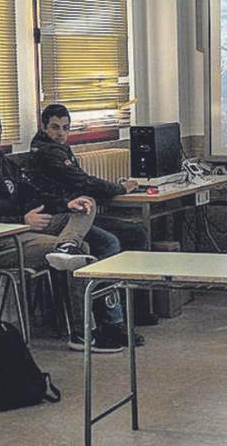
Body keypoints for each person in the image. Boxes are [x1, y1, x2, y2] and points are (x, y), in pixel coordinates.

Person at [0, 104, 139, 351]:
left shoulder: (6, 165)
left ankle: (67, 246)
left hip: (27, 230)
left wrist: (66, 204)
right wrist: (22, 221)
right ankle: (82, 334)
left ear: (1, 130)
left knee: (85, 205)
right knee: (84, 250)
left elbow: (34, 196)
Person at [25, 103, 156, 324]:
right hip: (63, 219)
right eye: (55, 128)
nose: (61, 134)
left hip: (80, 213)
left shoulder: (58, 149)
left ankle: (136, 310)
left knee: (137, 232)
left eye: (66, 128)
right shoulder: (47, 153)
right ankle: (110, 317)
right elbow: (82, 181)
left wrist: (112, 190)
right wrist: (121, 188)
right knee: (111, 242)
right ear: (43, 127)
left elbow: (81, 183)